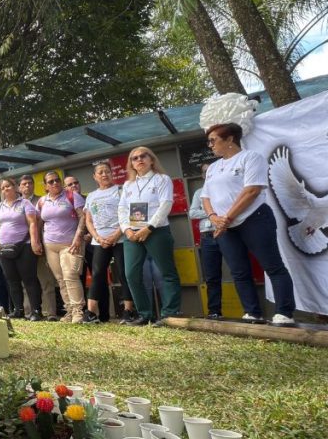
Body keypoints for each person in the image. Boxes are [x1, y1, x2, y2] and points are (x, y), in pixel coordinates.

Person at [204, 123, 296, 326]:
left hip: (254, 219)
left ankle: (284, 312)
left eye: (213, 140)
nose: (210, 145)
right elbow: (205, 196)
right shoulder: (212, 167)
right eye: (208, 141)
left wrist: (226, 218)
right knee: (239, 271)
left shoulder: (251, 157)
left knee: (273, 266)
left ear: (229, 139)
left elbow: (252, 190)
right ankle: (252, 312)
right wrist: (212, 216)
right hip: (224, 227)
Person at [118, 146, 183, 326]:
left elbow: (166, 205)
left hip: (156, 232)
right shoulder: (128, 184)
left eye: (143, 156)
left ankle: (170, 314)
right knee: (131, 274)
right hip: (132, 234)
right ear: (131, 163)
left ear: (151, 159)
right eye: (134, 158)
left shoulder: (162, 179)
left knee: (166, 272)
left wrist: (149, 227)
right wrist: (126, 229)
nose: (139, 160)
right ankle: (145, 314)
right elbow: (122, 208)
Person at [83, 162, 137, 324]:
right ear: (94, 177)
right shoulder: (91, 196)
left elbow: (131, 215)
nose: (104, 174)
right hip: (100, 241)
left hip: (121, 238)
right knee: (98, 274)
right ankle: (91, 313)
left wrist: (115, 236)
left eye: (107, 171)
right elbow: (88, 221)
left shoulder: (121, 190)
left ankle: (128, 311)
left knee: (124, 274)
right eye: (100, 172)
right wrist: (98, 238)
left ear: (112, 174)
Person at [38, 171, 87, 323]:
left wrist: (78, 237)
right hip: (50, 245)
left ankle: (78, 311)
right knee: (60, 279)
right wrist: (38, 242)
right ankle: (70, 311)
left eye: (57, 180)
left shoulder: (72, 196)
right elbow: (39, 223)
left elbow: (83, 217)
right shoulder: (41, 201)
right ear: (45, 186)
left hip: (71, 243)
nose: (55, 183)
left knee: (70, 275)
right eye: (50, 182)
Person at [0, 178, 43, 321]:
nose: (5, 189)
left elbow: (33, 222)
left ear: (15, 187)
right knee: (11, 280)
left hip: (24, 246)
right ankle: (18, 310)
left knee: (29, 279)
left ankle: (36, 311)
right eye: (2, 188)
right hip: (4, 248)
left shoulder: (25, 203)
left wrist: (34, 241)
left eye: (8, 186)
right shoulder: (0, 206)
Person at [189, 163, 225, 320]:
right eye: (205, 172)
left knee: (240, 272)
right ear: (203, 176)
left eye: (211, 171)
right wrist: (212, 212)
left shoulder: (226, 189)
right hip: (207, 237)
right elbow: (192, 213)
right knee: (211, 277)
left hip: (227, 233)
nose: (208, 174)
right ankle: (214, 311)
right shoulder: (199, 192)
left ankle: (251, 311)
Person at [20, 175, 58, 320]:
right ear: (19, 187)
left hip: (41, 245)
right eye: (24, 184)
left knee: (46, 280)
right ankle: (29, 311)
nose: (27, 186)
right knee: (27, 282)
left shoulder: (42, 201)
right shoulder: (16, 204)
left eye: (30, 183)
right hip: (23, 248)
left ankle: (51, 313)